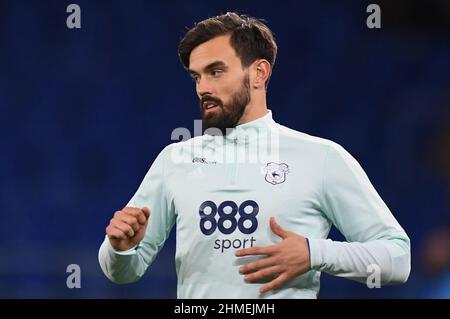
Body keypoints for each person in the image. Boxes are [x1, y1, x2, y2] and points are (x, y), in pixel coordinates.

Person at [98, 12, 410, 298]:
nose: (202, 87)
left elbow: (398, 258)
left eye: (216, 71)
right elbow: (124, 272)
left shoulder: (322, 158)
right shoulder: (174, 159)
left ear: (259, 73)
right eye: (197, 77)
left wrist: (315, 254)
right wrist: (119, 249)